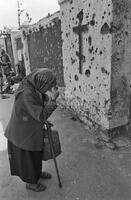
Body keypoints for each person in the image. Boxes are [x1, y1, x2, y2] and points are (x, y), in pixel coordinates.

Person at [4, 68, 59, 192]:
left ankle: (37, 174)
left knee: (35, 156)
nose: (50, 89)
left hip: (29, 129)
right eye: (49, 86)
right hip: (22, 134)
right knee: (29, 160)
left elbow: (34, 110)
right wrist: (53, 100)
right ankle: (31, 183)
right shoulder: (26, 94)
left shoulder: (33, 85)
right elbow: (40, 115)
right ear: (41, 82)